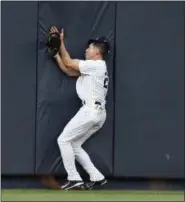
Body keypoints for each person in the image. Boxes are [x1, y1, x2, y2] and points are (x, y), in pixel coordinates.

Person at [50, 26, 110, 190]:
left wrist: (61, 43)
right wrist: (56, 56)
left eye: (90, 47)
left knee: (63, 140)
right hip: (98, 113)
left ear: (97, 53)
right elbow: (69, 71)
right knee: (74, 145)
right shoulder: (93, 69)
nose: (86, 49)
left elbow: (69, 62)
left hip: (90, 111)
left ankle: (74, 178)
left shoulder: (96, 65)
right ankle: (96, 176)